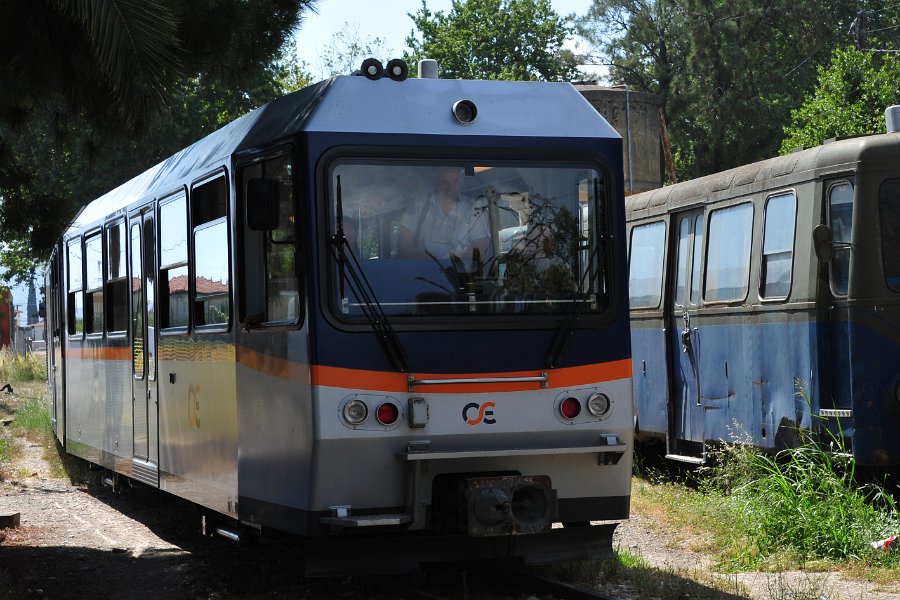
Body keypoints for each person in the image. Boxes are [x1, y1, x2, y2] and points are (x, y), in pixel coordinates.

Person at [397, 166, 491, 265]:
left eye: (455, 182)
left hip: (462, 276)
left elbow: (483, 250)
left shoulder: (473, 207)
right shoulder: (419, 205)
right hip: (424, 273)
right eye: (445, 183)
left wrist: (461, 255)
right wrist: (430, 260)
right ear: (434, 182)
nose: (451, 188)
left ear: (461, 182)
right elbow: (404, 245)